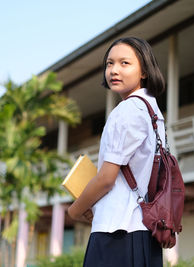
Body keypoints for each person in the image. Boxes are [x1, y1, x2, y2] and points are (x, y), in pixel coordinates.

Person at [67, 37, 166, 267]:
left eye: (125, 63)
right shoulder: (153, 111)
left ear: (144, 71)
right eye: (109, 63)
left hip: (117, 232)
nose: (114, 70)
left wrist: (74, 211)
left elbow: (106, 179)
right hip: (144, 231)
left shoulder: (126, 111)